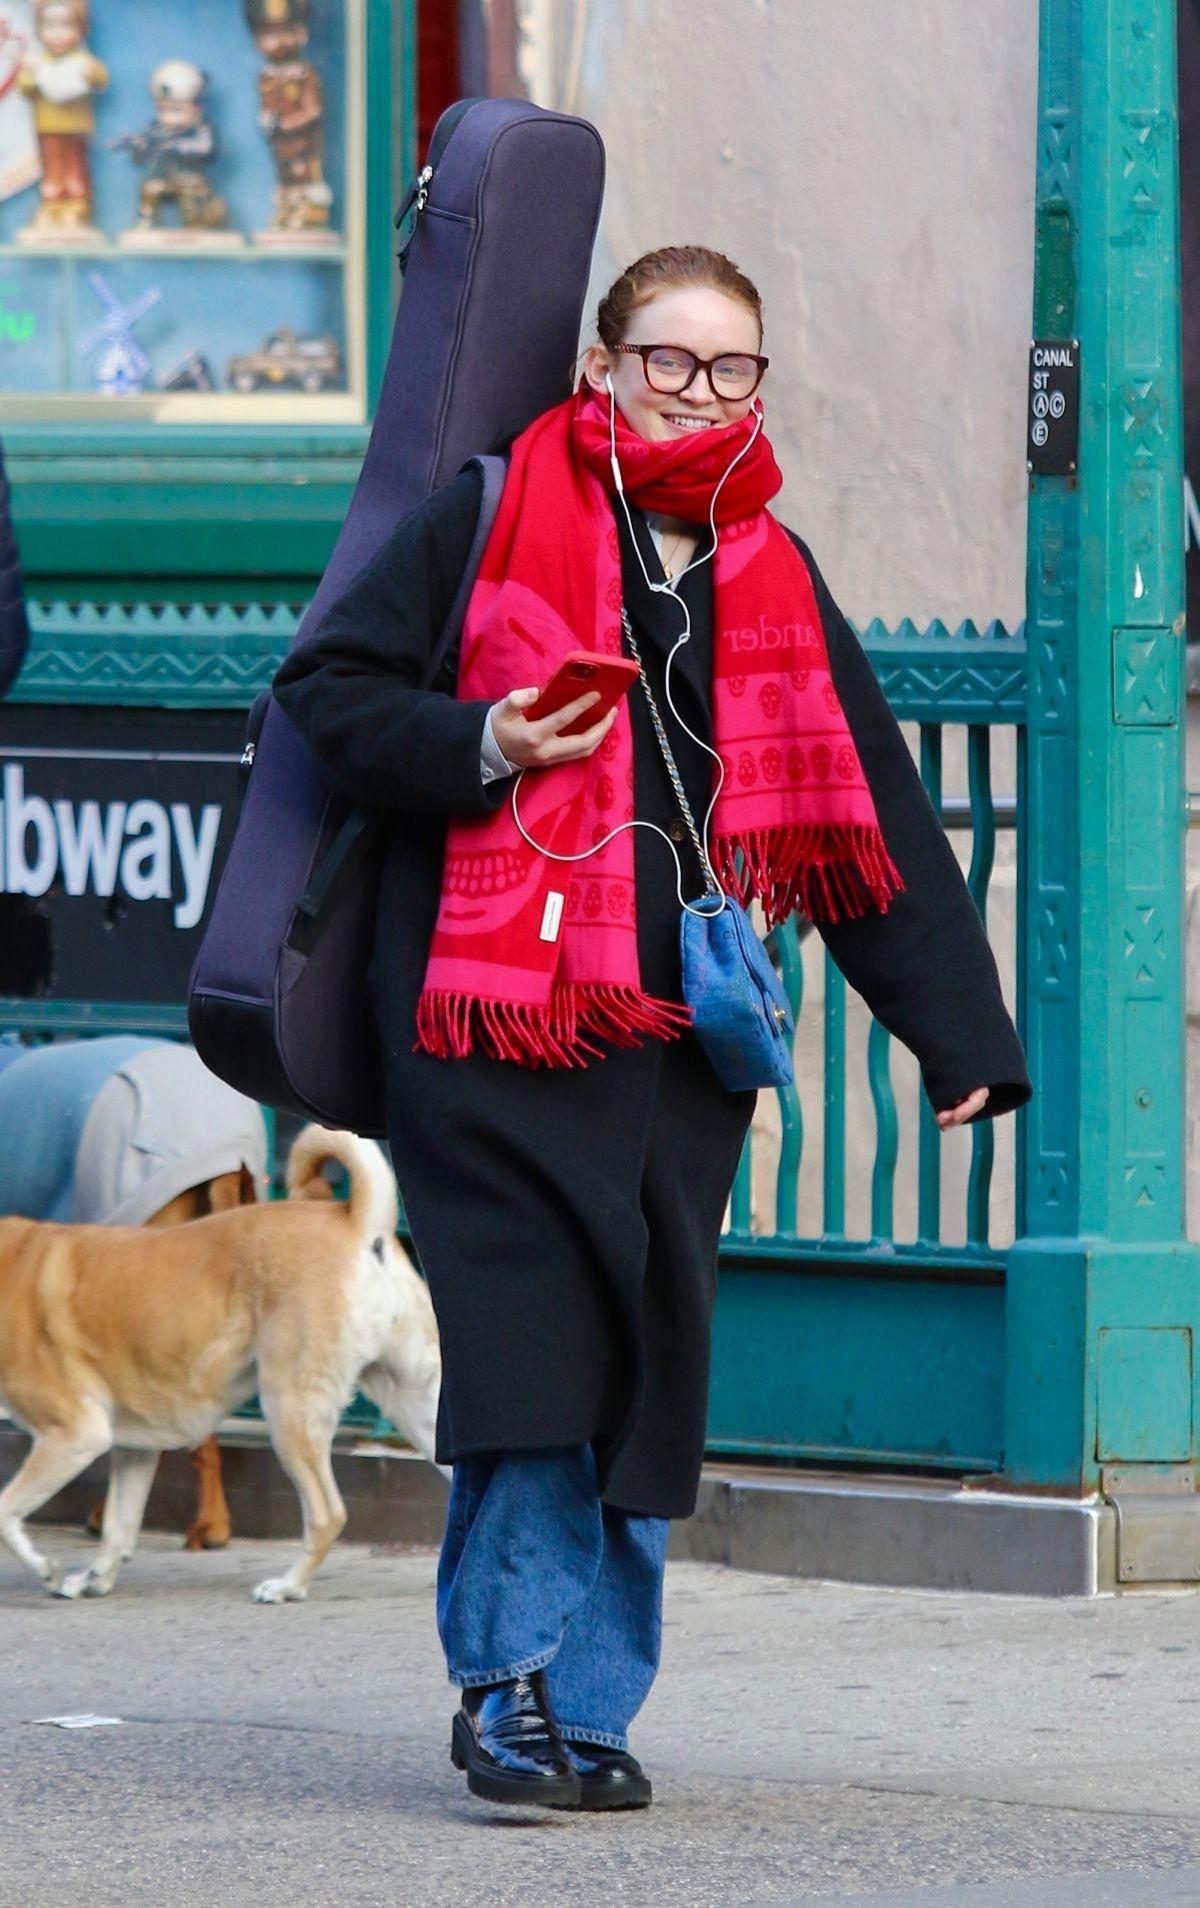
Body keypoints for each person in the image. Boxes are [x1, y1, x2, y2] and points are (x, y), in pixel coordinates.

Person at [272, 245, 1032, 1813]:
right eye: (665, 360)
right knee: (530, 1355)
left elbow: (870, 808)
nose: (696, 391)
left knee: (646, 1367)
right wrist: (482, 735)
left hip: (677, 1045)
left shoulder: (766, 564)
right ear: (603, 362)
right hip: (489, 1026)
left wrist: (957, 1035)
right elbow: (327, 693)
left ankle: (595, 1707)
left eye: (729, 367)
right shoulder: (490, 513)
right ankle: (505, 1690)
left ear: (759, 384)